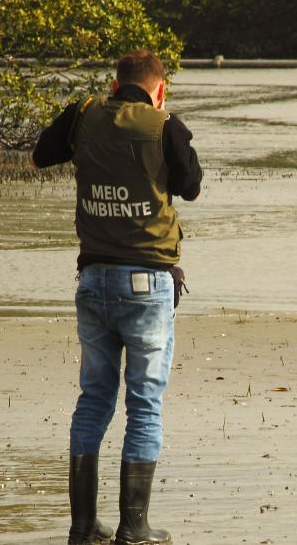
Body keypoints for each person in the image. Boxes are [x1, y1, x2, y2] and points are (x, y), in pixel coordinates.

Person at [32, 49, 202, 545]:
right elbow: (190, 187)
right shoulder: (166, 124)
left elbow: (40, 155)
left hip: (93, 279)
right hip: (147, 283)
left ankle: (84, 527)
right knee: (144, 404)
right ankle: (134, 526)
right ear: (160, 89)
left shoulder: (83, 115)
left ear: (113, 86)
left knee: (94, 399)